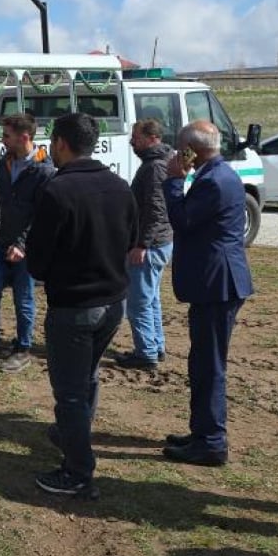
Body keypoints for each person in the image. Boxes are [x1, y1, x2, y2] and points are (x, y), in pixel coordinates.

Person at [26, 113, 137, 498]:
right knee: (85, 377)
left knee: (70, 392)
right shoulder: (120, 186)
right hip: (112, 302)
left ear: (60, 143)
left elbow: (37, 261)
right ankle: (73, 436)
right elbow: (130, 241)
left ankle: (77, 471)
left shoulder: (57, 192)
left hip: (74, 306)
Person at [161, 120, 253, 467]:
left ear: (190, 151)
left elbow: (182, 219)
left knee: (209, 365)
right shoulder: (216, 173)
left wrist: (172, 180)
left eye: (179, 148)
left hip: (218, 283)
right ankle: (202, 432)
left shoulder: (214, 180)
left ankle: (212, 441)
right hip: (215, 281)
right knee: (202, 361)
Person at [0, 113, 54, 374]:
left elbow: (41, 215)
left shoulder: (44, 169)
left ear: (24, 137)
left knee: (24, 299)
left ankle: (22, 348)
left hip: (24, 251)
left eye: (6, 136)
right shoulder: (5, 163)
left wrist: (22, 244)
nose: (2, 140)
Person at [116, 119, 175, 370]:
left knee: (139, 302)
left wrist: (141, 244)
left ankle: (146, 353)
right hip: (160, 243)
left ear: (152, 139)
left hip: (151, 246)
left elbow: (156, 210)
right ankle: (155, 346)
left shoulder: (153, 168)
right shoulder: (161, 163)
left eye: (136, 138)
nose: (132, 142)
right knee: (150, 299)